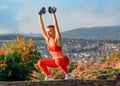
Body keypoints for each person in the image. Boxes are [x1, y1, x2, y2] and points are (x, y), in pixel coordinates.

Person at [37, 7, 72, 80]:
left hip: (63, 60)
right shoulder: (48, 39)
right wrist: (39, 15)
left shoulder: (57, 39)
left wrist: (53, 14)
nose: (47, 33)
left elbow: (56, 26)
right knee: (40, 62)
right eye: (47, 31)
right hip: (55, 61)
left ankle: (68, 75)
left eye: (49, 31)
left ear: (54, 31)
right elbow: (41, 27)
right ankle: (49, 76)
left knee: (57, 60)